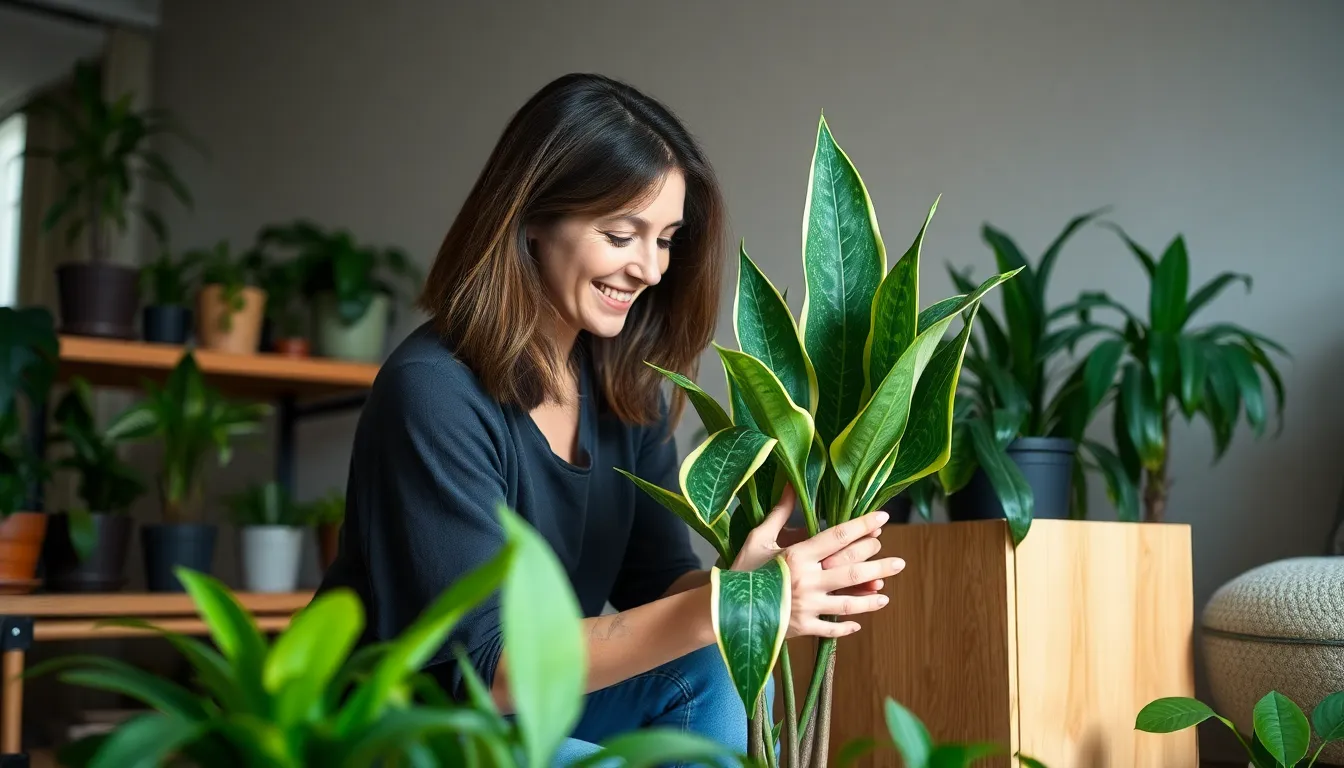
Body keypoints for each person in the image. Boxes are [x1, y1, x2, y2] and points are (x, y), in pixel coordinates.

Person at [317, 72, 905, 765]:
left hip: (529, 705)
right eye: (622, 234)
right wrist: (726, 608)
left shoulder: (625, 389)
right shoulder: (433, 392)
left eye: (666, 240)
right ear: (531, 217)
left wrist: (747, 584)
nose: (651, 269)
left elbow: (656, 582)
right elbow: (483, 666)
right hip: (413, 720)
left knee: (717, 668)